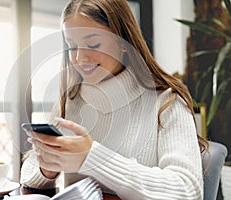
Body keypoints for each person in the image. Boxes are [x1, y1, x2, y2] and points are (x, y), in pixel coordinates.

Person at [20, 0, 208, 199]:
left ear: (124, 42)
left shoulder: (166, 103)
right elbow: (29, 173)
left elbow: (188, 191)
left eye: (93, 44)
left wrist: (92, 157)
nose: (80, 58)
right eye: (72, 46)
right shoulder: (70, 102)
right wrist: (46, 169)